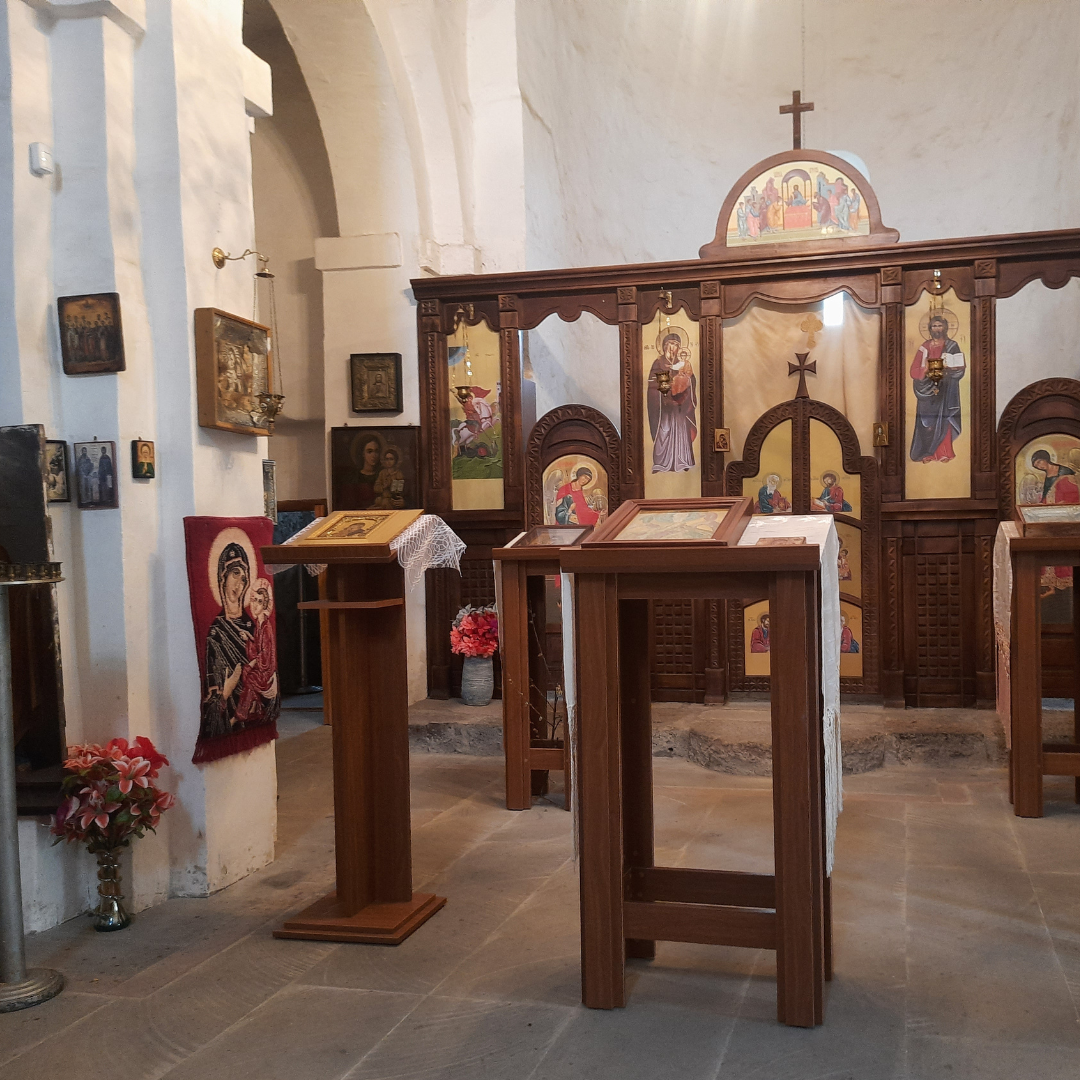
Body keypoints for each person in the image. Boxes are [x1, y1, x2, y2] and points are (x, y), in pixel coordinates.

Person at [200, 543, 256, 740]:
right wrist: (228, 688)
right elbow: (213, 694)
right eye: (235, 573)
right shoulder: (216, 632)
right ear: (222, 578)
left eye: (244, 578)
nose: (239, 583)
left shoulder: (252, 627)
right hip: (229, 716)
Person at [909, 313, 966, 462]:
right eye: (934, 326)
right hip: (927, 390)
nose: (937, 328)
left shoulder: (952, 346)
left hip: (946, 388)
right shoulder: (924, 347)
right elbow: (913, 371)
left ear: (945, 327)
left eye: (940, 325)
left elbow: (960, 368)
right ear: (930, 328)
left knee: (945, 419)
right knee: (927, 423)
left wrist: (953, 368)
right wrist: (925, 369)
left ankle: (944, 452)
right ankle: (926, 453)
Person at [648, 332, 698, 473]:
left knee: (682, 432)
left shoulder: (682, 364)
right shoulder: (658, 363)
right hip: (664, 408)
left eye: (676, 345)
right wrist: (666, 395)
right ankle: (661, 463)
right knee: (664, 430)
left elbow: (692, 380)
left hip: (680, 407)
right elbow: (653, 386)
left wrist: (687, 382)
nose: (672, 347)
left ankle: (683, 461)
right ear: (664, 346)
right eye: (670, 343)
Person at [235, 579, 279, 724]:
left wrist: (252, 663)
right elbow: (258, 646)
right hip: (262, 665)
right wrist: (248, 637)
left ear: (265, 605)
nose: (255, 605)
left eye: (259, 602)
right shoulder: (259, 624)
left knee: (249, 676)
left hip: (266, 668)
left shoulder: (266, 626)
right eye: (254, 600)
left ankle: (243, 713)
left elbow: (265, 653)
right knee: (247, 673)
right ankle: (255, 708)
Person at [341, 435, 381, 508]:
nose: (374, 455)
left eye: (376, 451)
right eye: (369, 451)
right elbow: (349, 504)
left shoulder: (383, 474)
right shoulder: (353, 477)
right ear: (363, 454)